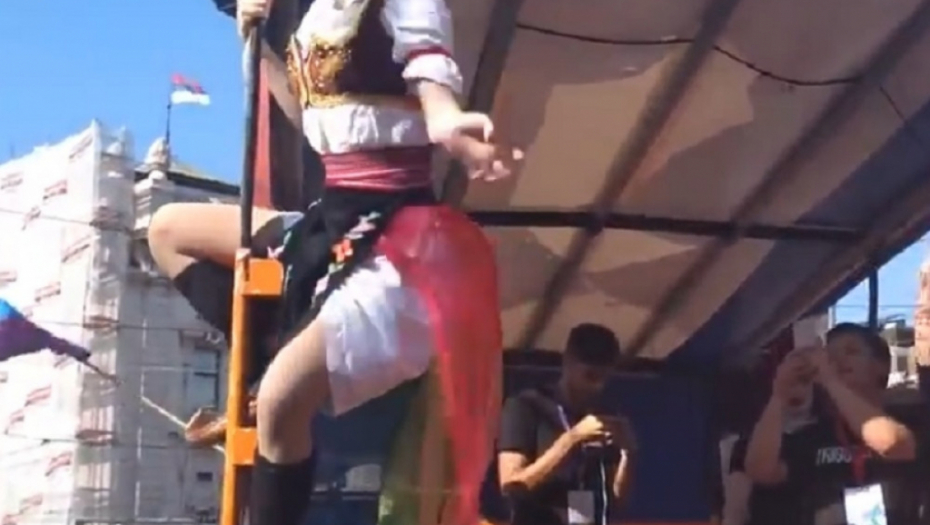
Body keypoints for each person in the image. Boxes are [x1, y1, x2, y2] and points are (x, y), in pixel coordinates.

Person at [147, 0, 522, 524]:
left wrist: (447, 118)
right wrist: (251, 40)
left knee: (280, 406)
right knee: (168, 231)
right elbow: (310, 119)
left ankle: (274, 386)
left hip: (395, 236)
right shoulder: (321, 12)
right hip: (331, 218)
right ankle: (272, 355)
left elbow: (430, 67)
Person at [743, 323, 930, 525]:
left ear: (881, 366)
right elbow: (761, 469)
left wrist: (831, 381)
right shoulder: (813, 436)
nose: (839, 360)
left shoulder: (910, 422)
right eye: (831, 355)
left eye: (851, 351)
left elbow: (892, 443)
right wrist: (779, 395)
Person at [496, 323, 637, 525]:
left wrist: (628, 453)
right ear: (568, 361)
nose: (596, 386)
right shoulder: (527, 406)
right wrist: (572, 439)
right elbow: (511, 486)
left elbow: (615, 501)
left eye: (603, 378)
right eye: (590, 376)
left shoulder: (602, 415)